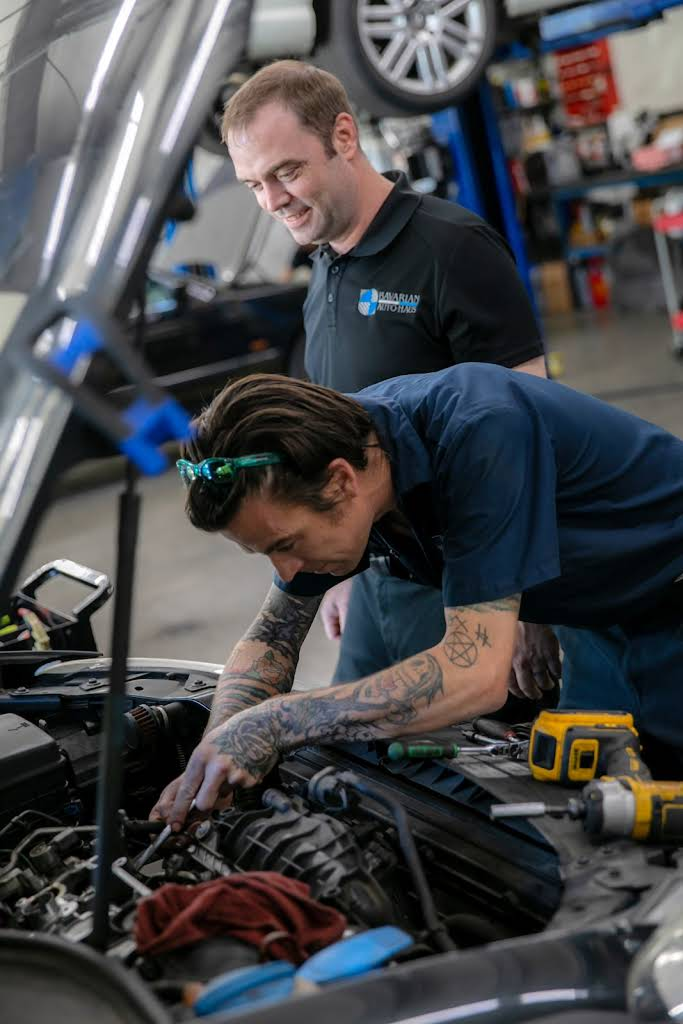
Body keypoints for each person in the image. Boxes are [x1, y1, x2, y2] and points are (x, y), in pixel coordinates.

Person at [152, 368, 683, 828]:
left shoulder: (480, 432)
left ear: (341, 482)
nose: (287, 570)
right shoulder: (345, 455)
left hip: (670, 605)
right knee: (605, 807)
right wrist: (212, 755)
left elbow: (473, 675)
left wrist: (275, 722)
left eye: (287, 545)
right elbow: (274, 633)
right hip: (602, 620)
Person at [221, 59, 553, 698]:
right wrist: (339, 572)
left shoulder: (452, 248)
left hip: (472, 584)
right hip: (375, 577)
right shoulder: (323, 267)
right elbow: (333, 435)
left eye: (286, 172)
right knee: (353, 774)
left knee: (476, 776)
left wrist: (536, 605)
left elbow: (536, 426)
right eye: (253, 184)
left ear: (343, 137)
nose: (272, 202)